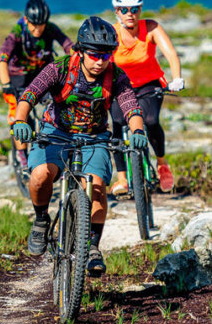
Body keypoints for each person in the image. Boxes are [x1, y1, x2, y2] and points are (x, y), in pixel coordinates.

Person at [11, 16, 147, 276]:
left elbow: (131, 106)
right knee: (40, 176)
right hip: (55, 133)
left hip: (94, 137)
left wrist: (138, 129)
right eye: (94, 55)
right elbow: (29, 95)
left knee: (96, 186)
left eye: (106, 56)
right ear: (82, 51)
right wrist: (20, 121)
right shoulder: (59, 68)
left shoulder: (115, 76)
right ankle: (41, 220)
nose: (99, 61)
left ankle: (92, 247)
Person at [108, 0, 185, 194]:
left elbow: (170, 53)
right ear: (116, 10)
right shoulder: (112, 34)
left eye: (134, 8)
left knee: (150, 121)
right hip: (121, 87)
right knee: (117, 124)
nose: (129, 13)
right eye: (124, 9)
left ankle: (161, 164)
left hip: (149, 84)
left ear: (140, 9)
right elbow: (102, 62)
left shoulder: (151, 28)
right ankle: (122, 179)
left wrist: (176, 77)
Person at [0, 0, 73, 166]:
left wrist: (78, 60)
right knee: (21, 115)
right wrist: (6, 85)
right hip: (18, 76)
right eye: (34, 25)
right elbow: (2, 59)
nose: (38, 29)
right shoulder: (18, 31)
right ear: (26, 20)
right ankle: (21, 156)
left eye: (41, 24)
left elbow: (68, 45)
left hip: (41, 74)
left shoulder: (51, 29)